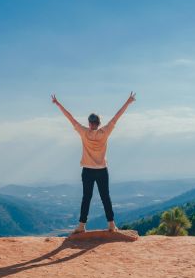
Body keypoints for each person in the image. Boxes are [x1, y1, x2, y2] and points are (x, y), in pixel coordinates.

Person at [51, 92, 136, 234]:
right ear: (99, 123)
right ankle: (111, 224)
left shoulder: (84, 132)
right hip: (102, 170)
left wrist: (58, 104)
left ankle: (81, 225)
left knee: (86, 197)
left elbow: (70, 118)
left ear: (90, 123)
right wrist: (128, 102)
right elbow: (117, 117)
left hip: (88, 170)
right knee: (105, 197)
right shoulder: (105, 132)